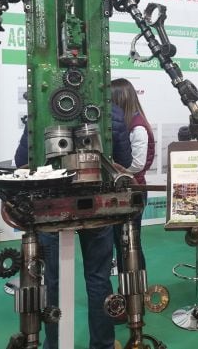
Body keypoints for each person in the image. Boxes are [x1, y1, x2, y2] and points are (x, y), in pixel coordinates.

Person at [14, 103, 132, 349]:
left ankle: (54, 344)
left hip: (51, 203)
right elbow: (124, 159)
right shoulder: (111, 110)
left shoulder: (41, 104)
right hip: (97, 202)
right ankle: (103, 344)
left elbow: (21, 159)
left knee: (52, 279)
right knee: (99, 278)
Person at [110, 78, 155, 271]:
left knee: (130, 244)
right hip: (125, 190)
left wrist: (111, 167)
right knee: (123, 244)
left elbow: (137, 164)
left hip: (133, 190)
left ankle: (136, 289)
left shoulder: (137, 127)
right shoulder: (130, 123)